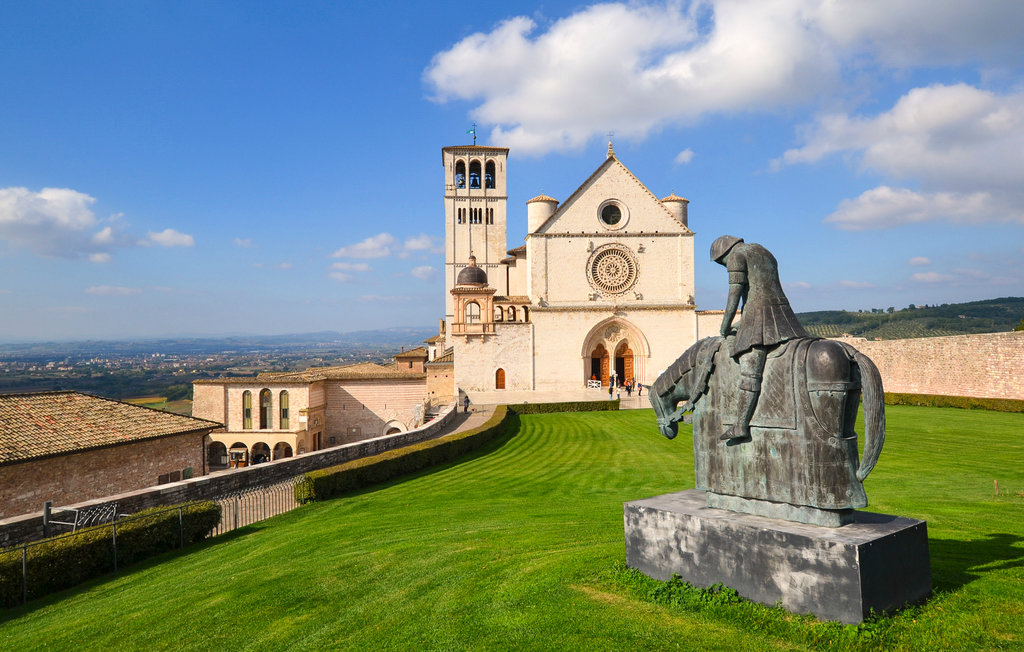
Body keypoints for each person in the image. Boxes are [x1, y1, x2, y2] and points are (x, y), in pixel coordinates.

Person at [711, 235, 808, 442]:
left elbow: (734, 296)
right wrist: (740, 322)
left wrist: (725, 325)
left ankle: (740, 425)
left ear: (723, 255)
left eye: (722, 263)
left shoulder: (736, 256)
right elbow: (763, 290)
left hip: (759, 318)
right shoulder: (763, 251)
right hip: (783, 316)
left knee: (750, 370)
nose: (725, 266)